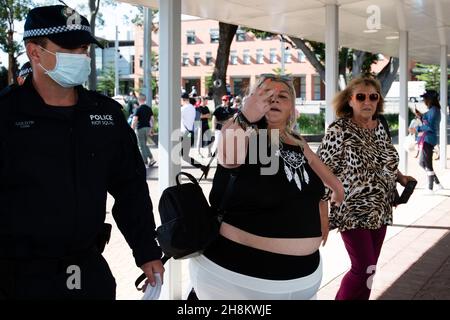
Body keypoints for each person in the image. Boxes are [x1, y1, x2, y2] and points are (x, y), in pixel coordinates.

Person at [0, 5, 164, 299]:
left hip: (87, 272)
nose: (81, 57)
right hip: (19, 275)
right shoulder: (6, 114)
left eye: (84, 47)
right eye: (69, 48)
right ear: (34, 52)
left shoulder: (106, 114)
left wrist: (147, 251)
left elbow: (130, 189)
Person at [189, 73, 344, 300]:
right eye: (266, 94)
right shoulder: (242, 132)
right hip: (237, 279)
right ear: (251, 99)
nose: (274, 100)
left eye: (282, 96)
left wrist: (326, 199)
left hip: (302, 279)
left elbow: (328, 182)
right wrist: (245, 116)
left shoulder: (298, 143)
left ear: (292, 108)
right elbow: (229, 156)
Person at [317, 76, 416, 300]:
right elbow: (322, 172)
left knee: (369, 271)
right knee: (362, 268)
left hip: (380, 209)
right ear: (350, 100)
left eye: (373, 97)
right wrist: (323, 216)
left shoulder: (379, 126)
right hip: (352, 209)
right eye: (360, 96)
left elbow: (383, 161)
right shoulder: (339, 130)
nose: (367, 101)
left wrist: (400, 178)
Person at [409, 89, 443, 193]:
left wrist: (416, 129)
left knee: (427, 164)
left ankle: (430, 188)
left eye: (425, 99)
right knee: (422, 163)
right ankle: (437, 184)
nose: (424, 101)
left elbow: (429, 126)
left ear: (430, 99)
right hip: (428, 139)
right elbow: (428, 120)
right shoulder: (434, 110)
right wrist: (421, 116)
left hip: (428, 139)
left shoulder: (434, 111)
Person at [180, 93, 210, 177]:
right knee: (185, 156)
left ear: (183, 100)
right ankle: (203, 167)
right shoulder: (193, 108)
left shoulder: (183, 109)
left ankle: (203, 167)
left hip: (185, 134)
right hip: (190, 134)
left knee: (184, 155)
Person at [131, 93, 156, 168]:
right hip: (148, 128)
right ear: (144, 100)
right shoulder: (148, 108)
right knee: (145, 145)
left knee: (141, 146)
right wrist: (152, 128)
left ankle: (144, 162)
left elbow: (135, 119)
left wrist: (132, 128)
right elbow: (152, 119)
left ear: (139, 100)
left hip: (140, 128)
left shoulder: (138, 109)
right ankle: (151, 159)